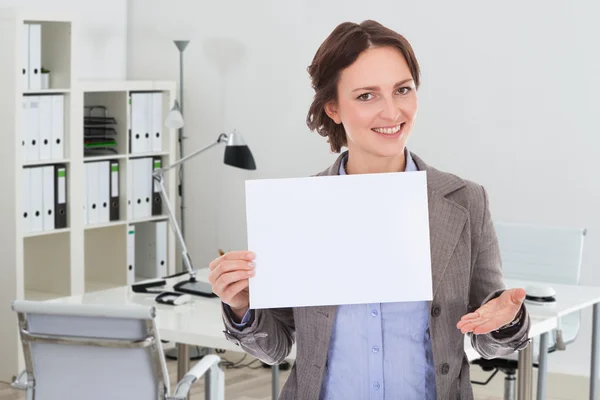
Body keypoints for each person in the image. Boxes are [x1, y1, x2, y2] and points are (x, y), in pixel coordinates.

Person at [208, 19, 530, 400]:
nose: (392, 112)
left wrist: (505, 323)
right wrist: (242, 306)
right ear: (333, 108)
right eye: (366, 96)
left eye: (402, 90)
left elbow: (493, 339)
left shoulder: (465, 202)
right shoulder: (298, 208)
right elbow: (275, 347)